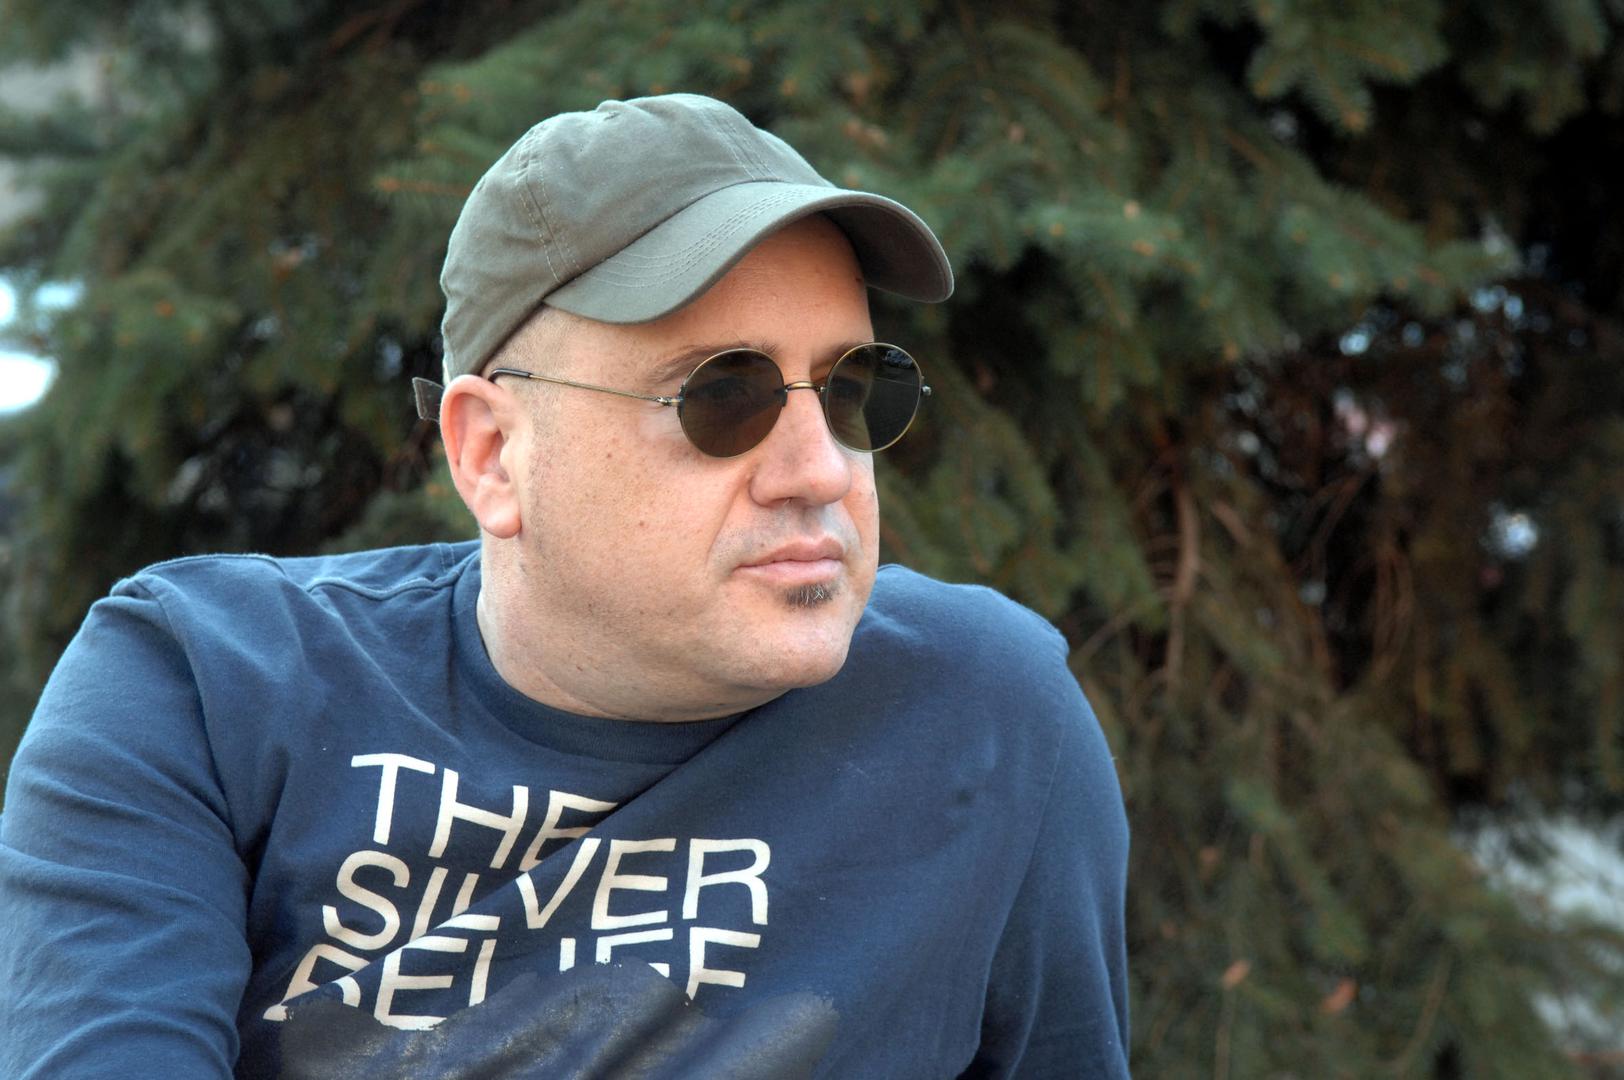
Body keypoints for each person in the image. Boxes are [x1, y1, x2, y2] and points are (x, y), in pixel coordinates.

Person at [0, 93, 1130, 1078]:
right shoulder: (203, 690)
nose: (821, 471)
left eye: (852, 388)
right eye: (721, 396)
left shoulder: (985, 719)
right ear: (493, 455)